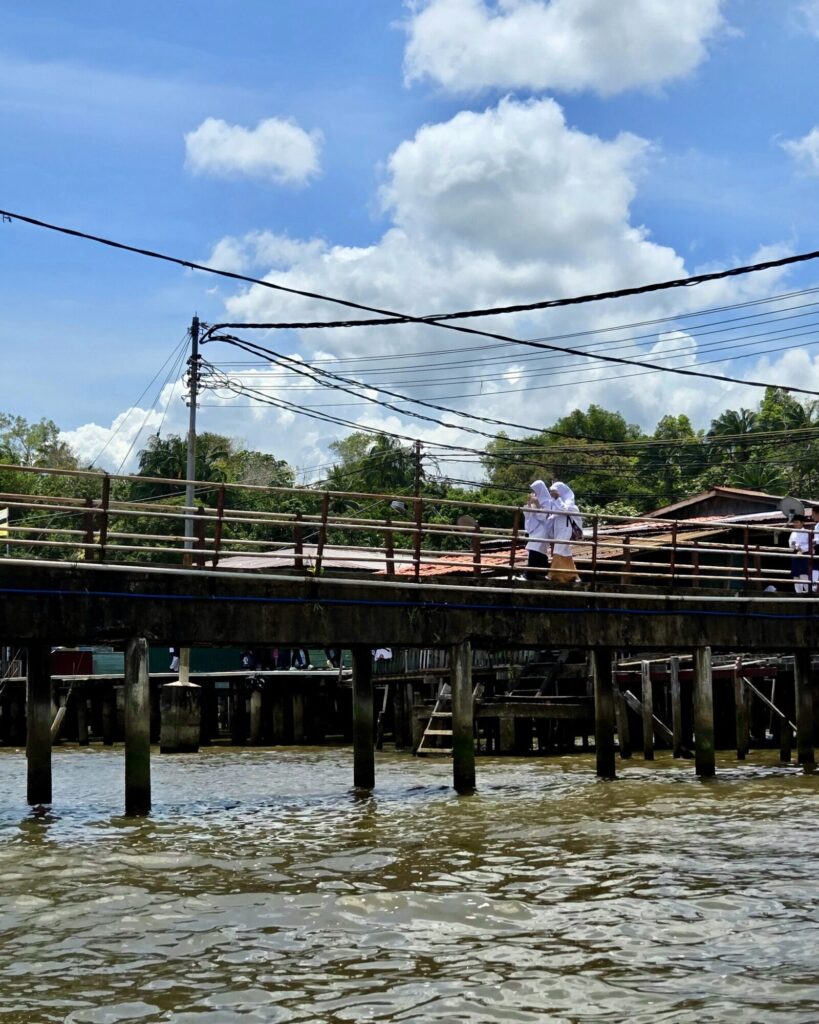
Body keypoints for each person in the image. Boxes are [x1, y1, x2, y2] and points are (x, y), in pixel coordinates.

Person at [548, 481, 582, 584]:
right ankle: (573, 576)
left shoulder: (568, 502)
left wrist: (557, 498)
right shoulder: (556, 502)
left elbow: (564, 509)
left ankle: (551, 575)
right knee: (565, 552)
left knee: (558, 550)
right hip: (559, 531)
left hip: (566, 530)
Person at [522, 480, 554, 581]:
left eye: (535, 490)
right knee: (536, 551)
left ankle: (530, 574)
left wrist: (538, 504)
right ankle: (539, 573)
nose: (534, 492)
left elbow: (544, 516)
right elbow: (529, 515)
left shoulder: (548, 501)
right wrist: (529, 505)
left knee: (536, 550)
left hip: (543, 530)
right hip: (535, 530)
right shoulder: (535, 500)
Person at [788, 512, 811, 594]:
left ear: (802, 523)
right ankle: (798, 593)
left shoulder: (807, 532)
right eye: (794, 522)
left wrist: (802, 548)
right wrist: (794, 546)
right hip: (795, 554)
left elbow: (810, 545)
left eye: (797, 522)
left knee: (804, 574)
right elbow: (790, 544)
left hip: (804, 555)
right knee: (795, 575)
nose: (795, 524)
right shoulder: (793, 533)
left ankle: (808, 592)